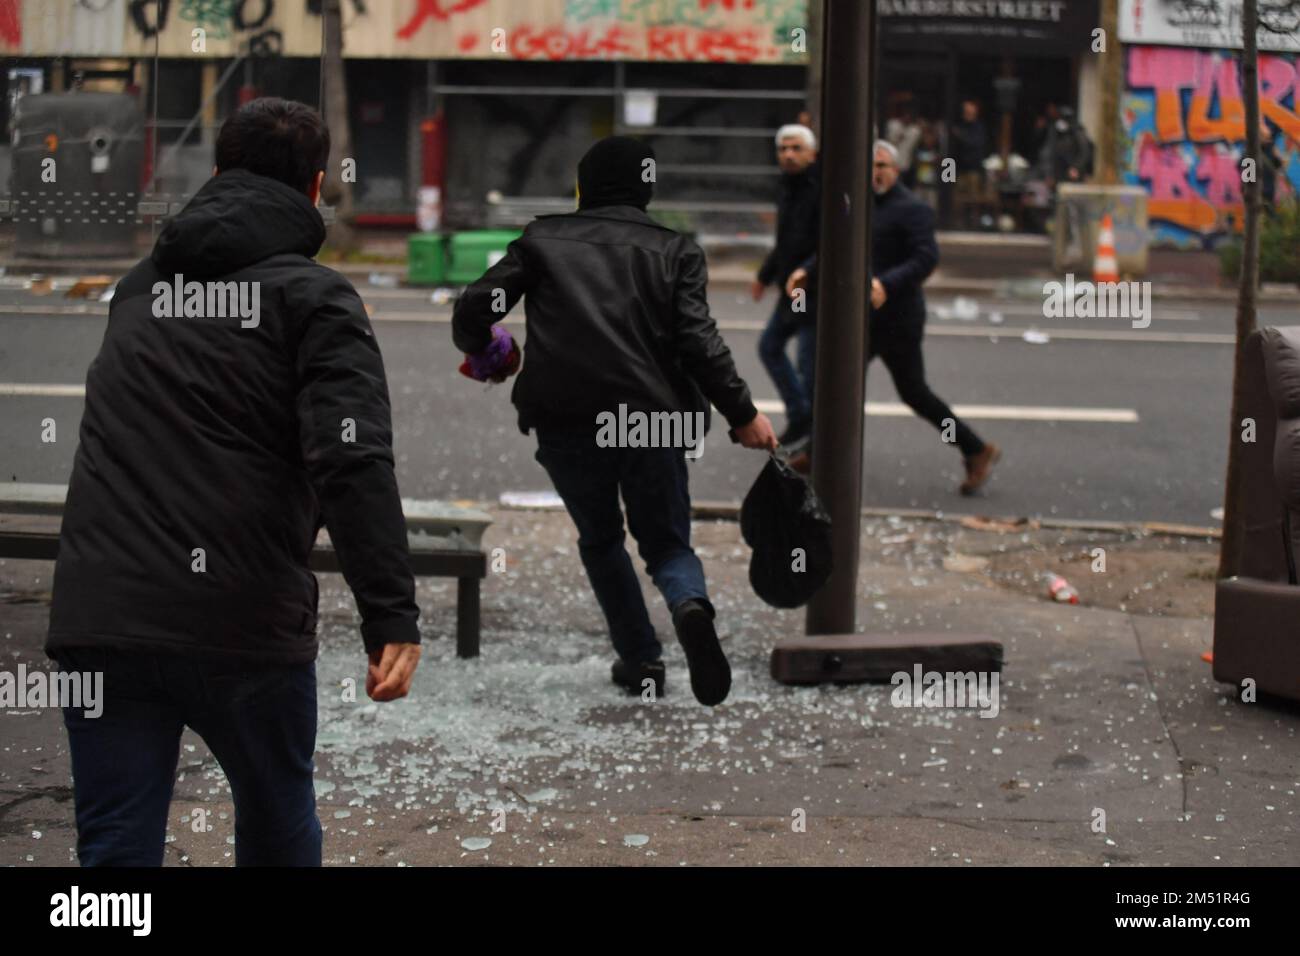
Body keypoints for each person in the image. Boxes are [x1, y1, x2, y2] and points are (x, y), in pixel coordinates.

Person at [45, 97, 423, 867]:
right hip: (242, 619)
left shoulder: (137, 290)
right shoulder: (316, 298)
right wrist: (391, 613)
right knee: (279, 828)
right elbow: (350, 458)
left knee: (114, 849)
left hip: (103, 613)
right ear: (316, 187)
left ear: (216, 172)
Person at [452, 135, 777, 707]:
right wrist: (743, 415)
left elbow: (474, 307)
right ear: (645, 186)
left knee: (601, 540)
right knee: (667, 544)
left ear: (585, 185)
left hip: (566, 419)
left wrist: (489, 352)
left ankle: (642, 660)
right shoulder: (676, 250)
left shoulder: (542, 239)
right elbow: (699, 344)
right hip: (654, 422)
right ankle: (689, 607)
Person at [785, 141, 1001, 496]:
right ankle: (817, 453)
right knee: (838, 383)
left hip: (898, 319)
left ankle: (975, 449)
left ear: (896, 170)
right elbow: (838, 247)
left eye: (883, 165)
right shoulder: (857, 205)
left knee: (914, 392)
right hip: (862, 318)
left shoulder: (912, 209)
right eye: (870, 166)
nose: (876, 173)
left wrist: (888, 283)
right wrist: (806, 271)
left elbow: (926, 257)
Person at [753, 123, 821, 447]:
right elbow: (786, 240)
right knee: (770, 347)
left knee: (808, 362)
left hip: (812, 290)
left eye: (796, 148)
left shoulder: (822, 186)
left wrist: (806, 271)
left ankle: (812, 431)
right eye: (783, 149)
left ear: (813, 153)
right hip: (791, 290)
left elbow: (832, 242)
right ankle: (801, 416)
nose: (789, 155)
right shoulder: (787, 186)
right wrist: (765, 275)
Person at [950, 99, 989, 229]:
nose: (967, 114)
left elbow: (975, 144)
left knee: (974, 198)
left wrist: (960, 136)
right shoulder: (959, 125)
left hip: (973, 169)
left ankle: (974, 223)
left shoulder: (978, 128)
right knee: (958, 197)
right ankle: (957, 223)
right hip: (956, 167)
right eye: (965, 111)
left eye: (970, 111)